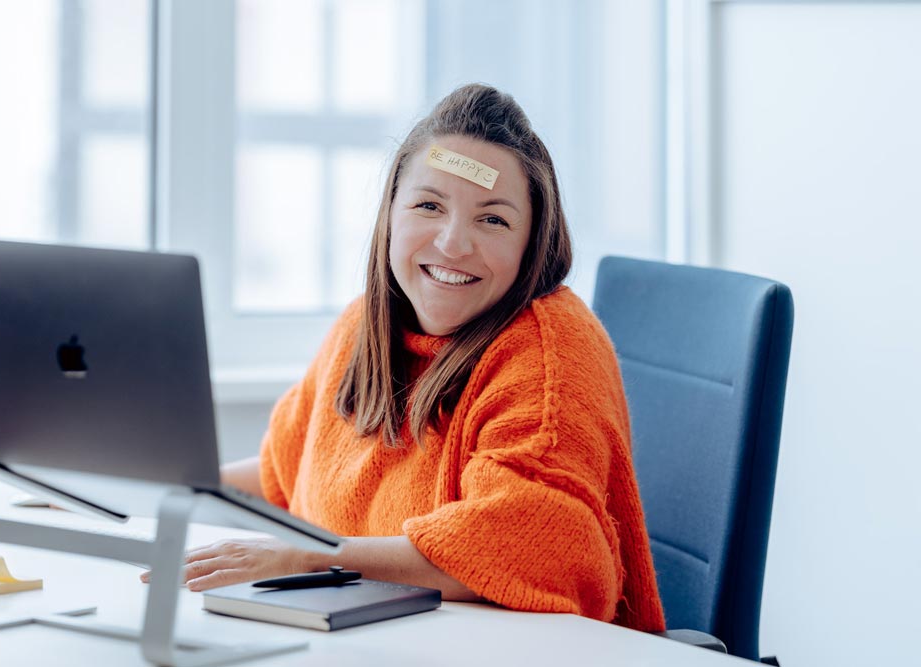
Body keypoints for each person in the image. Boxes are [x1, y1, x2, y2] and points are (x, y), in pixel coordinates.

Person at [146, 83, 665, 632]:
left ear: (532, 241)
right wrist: (150, 489)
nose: (452, 244)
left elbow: (533, 545)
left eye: (493, 219)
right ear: (390, 214)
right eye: (429, 205)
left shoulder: (549, 356)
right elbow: (287, 470)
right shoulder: (364, 326)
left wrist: (314, 558)